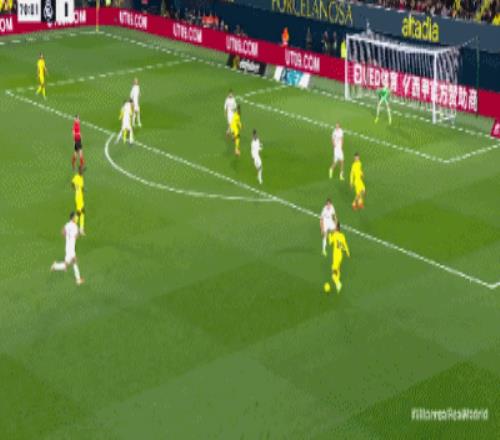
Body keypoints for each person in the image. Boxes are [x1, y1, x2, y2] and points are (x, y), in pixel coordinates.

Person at [50, 212, 84, 286]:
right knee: (72, 262)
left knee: (69, 264)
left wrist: (68, 237)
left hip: (67, 246)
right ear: (72, 218)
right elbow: (76, 236)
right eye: (75, 217)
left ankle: (55, 266)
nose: (76, 218)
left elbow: (62, 232)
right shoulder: (75, 226)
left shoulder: (67, 224)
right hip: (71, 248)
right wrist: (80, 233)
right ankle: (78, 280)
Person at [328, 222, 350, 293]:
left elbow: (330, 242)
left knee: (333, 273)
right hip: (340, 256)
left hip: (336, 256)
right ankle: (338, 284)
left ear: (336, 228)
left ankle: (338, 284)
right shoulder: (342, 236)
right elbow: (345, 245)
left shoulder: (334, 235)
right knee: (338, 270)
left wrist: (329, 235)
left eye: (334, 227)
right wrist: (348, 252)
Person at [72, 166, 85, 235]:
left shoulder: (82, 177)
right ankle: (73, 226)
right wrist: (76, 188)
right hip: (78, 197)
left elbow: (82, 187)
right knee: (79, 212)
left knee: (82, 212)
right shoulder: (76, 176)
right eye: (82, 170)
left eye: (83, 170)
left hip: (81, 197)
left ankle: (81, 229)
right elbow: (72, 184)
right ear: (79, 170)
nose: (82, 171)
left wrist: (82, 190)